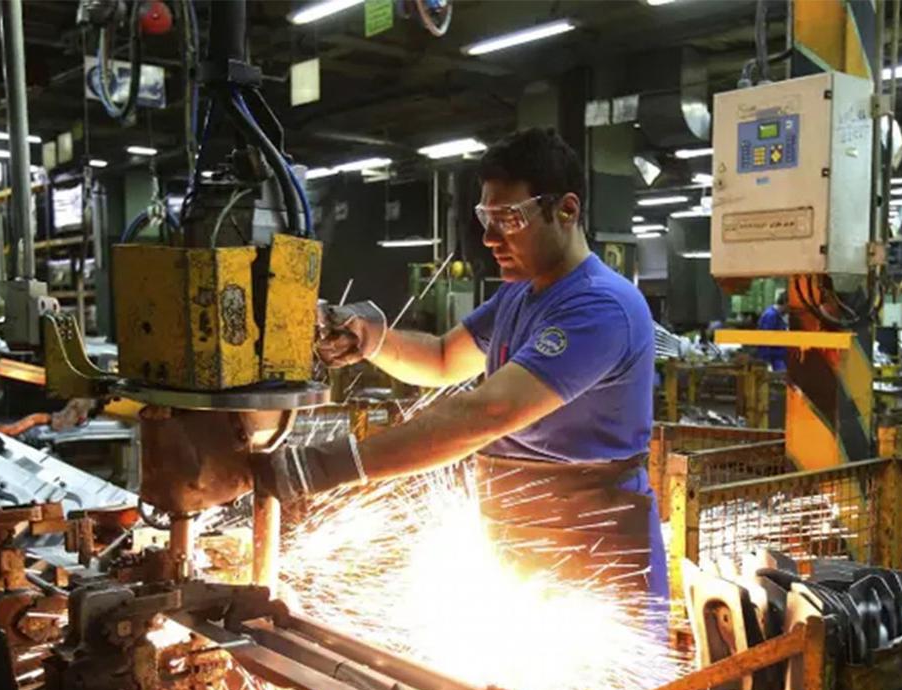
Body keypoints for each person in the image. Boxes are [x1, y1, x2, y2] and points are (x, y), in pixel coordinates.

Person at [250, 128, 667, 601]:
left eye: (508, 218)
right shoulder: (518, 294)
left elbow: (486, 413)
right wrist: (372, 339)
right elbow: (443, 358)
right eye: (486, 218)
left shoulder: (601, 307)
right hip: (520, 542)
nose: (489, 238)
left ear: (566, 211)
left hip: (594, 557)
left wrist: (315, 468)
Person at [756, 291, 789, 371]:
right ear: (786, 303)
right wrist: (767, 362)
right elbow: (765, 340)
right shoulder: (771, 316)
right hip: (774, 359)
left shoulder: (777, 316)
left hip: (778, 357)